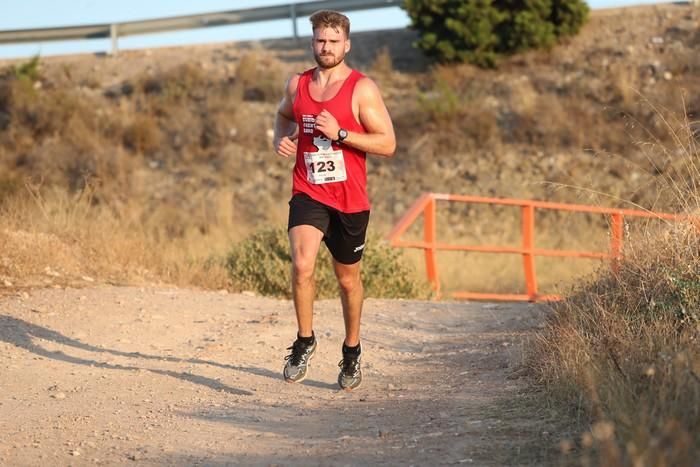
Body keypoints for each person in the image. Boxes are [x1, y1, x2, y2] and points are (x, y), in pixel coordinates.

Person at [272, 9, 396, 390]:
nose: (325, 48)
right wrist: (282, 138)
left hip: (349, 199)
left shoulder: (362, 88)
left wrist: (341, 133)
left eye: (332, 41)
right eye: (319, 40)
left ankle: (352, 350)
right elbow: (281, 114)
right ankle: (305, 340)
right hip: (309, 190)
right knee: (302, 264)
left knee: (347, 281)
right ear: (312, 42)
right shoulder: (298, 84)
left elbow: (387, 143)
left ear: (347, 44)